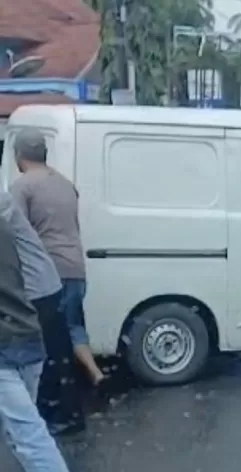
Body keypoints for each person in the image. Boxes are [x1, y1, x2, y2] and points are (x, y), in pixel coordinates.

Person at [10, 128, 113, 397]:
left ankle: (51, 395)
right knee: (73, 325)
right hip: (75, 266)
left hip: (47, 273)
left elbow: (14, 232)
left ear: (19, 155)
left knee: (47, 336)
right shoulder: (65, 184)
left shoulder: (22, 187)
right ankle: (95, 375)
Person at [0, 192, 86, 436]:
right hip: (40, 283)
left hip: (34, 287)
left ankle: (56, 418)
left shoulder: (5, 199)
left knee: (47, 358)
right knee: (54, 356)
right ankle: (61, 416)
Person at [0, 216, 70, 471]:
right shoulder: (4, 225)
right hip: (27, 334)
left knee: (27, 435)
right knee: (21, 431)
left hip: (5, 344)